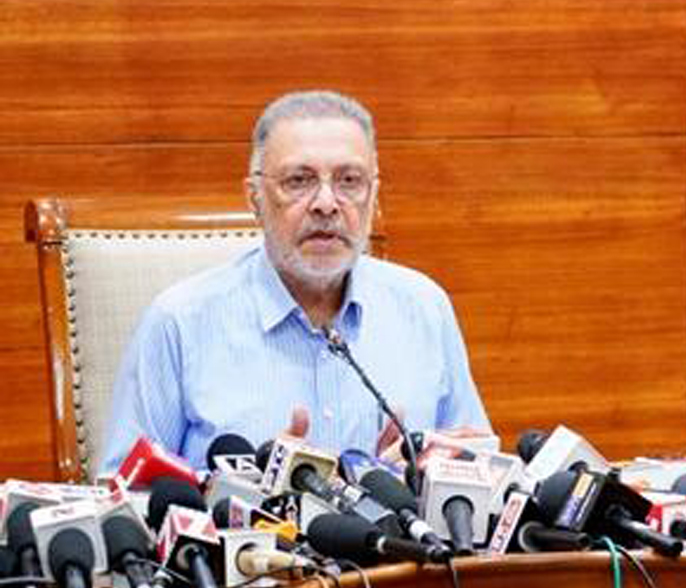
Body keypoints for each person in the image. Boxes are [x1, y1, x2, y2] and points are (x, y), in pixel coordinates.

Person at [101, 90, 490, 471]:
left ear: (373, 195)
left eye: (349, 181)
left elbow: (481, 468)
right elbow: (124, 492)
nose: (326, 204)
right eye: (299, 181)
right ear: (254, 198)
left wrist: (418, 478)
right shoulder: (180, 322)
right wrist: (256, 491)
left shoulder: (424, 307)